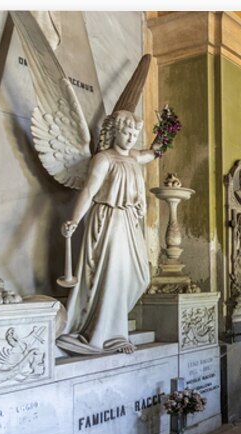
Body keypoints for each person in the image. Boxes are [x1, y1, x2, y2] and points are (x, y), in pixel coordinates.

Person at [56, 110, 160, 355]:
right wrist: (74, 220)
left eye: (134, 133)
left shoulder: (133, 157)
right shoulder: (103, 159)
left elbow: (151, 153)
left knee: (140, 276)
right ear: (114, 132)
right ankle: (109, 335)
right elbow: (89, 191)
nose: (131, 138)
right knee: (113, 275)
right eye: (126, 132)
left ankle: (112, 325)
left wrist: (165, 135)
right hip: (109, 219)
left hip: (129, 221)